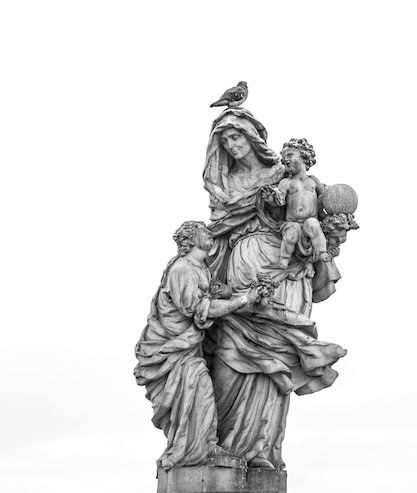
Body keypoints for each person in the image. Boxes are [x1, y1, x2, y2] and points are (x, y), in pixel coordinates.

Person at [203, 110, 346, 469]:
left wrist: (333, 232)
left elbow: (313, 213)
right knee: (231, 354)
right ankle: (223, 448)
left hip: (287, 272)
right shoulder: (223, 184)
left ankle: (260, 451)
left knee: (277, 358)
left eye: (237, 138)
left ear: (252, 137)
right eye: (225, 142)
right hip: (242, 265)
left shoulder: (283, 173)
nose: (233, 146)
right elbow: (216, 233)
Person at [134, 221, 260, 471]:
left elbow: (211, 295)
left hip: (189, 348)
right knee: (199, 389)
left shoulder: (201, 268)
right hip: (173, 350)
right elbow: (200, 310)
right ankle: (194, 451)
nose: (209, 233)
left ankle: (202, 446)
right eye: (203, 230)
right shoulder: (182, 269)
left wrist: (229, 292)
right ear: (191, 239)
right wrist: (245, 299)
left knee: (198, 392)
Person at [271, 138, 331, 269]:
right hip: (292, 222)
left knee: (313, 226)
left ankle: (321, 252)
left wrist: (332, 196)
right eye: (283, 157)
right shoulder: (286, 182)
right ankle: (284, 259)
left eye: (290, 155)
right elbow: (280, 198)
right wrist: (274, 197)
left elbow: (324, 197)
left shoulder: (314, 181)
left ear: (304, 156)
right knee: (290, 234)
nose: (284, 160)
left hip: (311, 220)